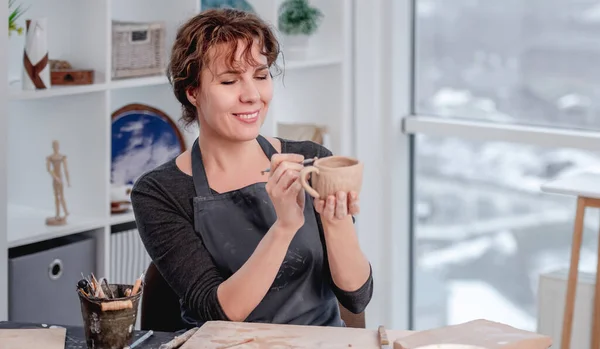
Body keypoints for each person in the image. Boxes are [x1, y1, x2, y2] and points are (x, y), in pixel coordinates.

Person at [131, 8, 373, 328]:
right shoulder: (160, 191)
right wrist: (284, 227)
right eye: (229, 80)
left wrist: (336, 222)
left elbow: (356, 298)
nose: (252, 95)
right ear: (193, 93)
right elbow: (217, 311)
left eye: (260, 76)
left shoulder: (310, 160)